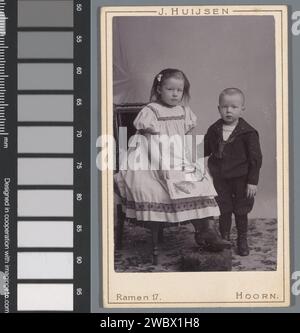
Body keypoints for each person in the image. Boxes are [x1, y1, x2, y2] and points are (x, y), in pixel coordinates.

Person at [115, 68, 230, 252]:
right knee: (155, 186)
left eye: (179, 90)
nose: (176, 94)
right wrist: (162, 165)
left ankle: (206, 230)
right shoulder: (150, 111)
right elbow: (148, 145)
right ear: (159, 89)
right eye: (170, 89)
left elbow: (184, 142)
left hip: (176, 157)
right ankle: (198, 229)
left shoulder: (184, 112)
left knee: (200, 180)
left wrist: (190, 160)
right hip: (148, 159)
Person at [204, 88, 263, 256]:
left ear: (242, 109)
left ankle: (242, 240)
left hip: (242, 179)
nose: (229, 110)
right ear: (218, 108)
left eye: (234, 107)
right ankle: (224, 239)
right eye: (224, 107)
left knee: (241, 210)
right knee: (224, 209)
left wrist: (252, 181)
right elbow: (205, 149)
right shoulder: (214, 129)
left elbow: (256, 159)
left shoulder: (248, 132)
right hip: (220, 178)